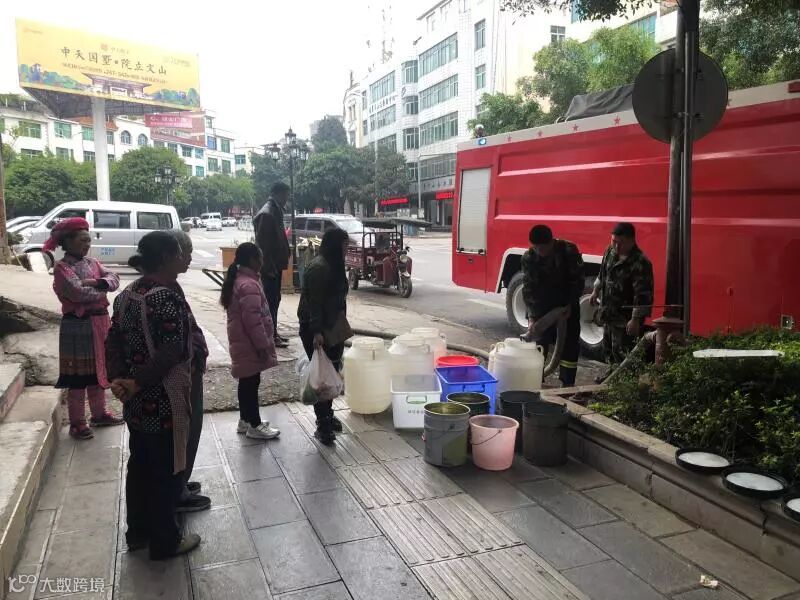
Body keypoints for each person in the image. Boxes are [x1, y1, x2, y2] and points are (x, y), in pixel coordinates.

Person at [105, 231, 200, 560]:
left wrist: (120, 379)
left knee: (140, 464)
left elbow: (113, 339)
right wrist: (136, 382)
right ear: (166, 258)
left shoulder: (127, 294)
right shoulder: (166, 298)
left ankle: (138, 532)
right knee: (166, 468)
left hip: (136, 401)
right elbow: (172, 350)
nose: (183, 258)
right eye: (179, 253)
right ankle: (165, 541)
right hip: (163, 398)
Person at [48, 217, 123, 440]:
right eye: (82, 240)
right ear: (67, 241)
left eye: (88, 240)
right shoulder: (62, 268)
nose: (87, 244)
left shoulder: (93, 263)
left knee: (99, 371)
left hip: (100, 324)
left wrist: (98, 283)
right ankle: (77, 423)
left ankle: (99, 414)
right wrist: (102, 288)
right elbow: (77, 293)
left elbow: (115, 279)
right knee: (78, 377)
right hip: (77, 327)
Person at [220, 242, 281, 440]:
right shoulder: (249, 285)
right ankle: (254, 424)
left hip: (242, 341)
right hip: (250, 343)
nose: (263, 261)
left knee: (247, 381)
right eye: (260, 257)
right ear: (253, 260)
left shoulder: (241, 280)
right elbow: (253, 320)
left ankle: (245, 420)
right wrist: (262, 345)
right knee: (251, 383)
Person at [297, 228, 353, 445]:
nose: (347, 249)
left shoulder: (334, 265)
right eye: (344, 245)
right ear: (335, 246)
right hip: (318, 329)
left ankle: (328, 415)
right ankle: (323, 424)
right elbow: (314, 304)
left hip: (334, 326)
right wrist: (317, 331)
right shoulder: (319, 268)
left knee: (332, 372)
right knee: (321, 378)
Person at [170, 230, 212, 513]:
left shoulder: (171, 287)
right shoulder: (162, 295)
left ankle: (180, 482)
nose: (189, 258)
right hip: (179, 376)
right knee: (181, 431)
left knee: (189, 427)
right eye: (186, 253)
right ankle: (177, 491)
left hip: (187, 370)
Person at [521, 224, 584, 387]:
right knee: (538, 343)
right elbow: (529, 288)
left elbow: (577, 281)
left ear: (551, 242)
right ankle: (535, 381)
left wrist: (569, 304)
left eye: (542, 247)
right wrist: (532, 317)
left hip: (566, 304)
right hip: (542, 306)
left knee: (569, 344)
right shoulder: (529, 257)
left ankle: (567, 384)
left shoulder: (568, 251)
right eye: (536, 247)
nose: (539, 251)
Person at [590, 222, 654, 375]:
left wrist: (635, 320)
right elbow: (602, 273)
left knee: (624, 353)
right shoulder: (610, 251)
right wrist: (595, 291)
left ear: (632, 240)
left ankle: (625, 382)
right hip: (608, 312)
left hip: (625, 319)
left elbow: (643, 295)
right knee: (608, 349)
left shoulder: (640, 262)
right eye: (614, 241)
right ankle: (610, 376)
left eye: (621, 243)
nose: (617, 246)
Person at [253, 182, 291, 349]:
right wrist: (268, 268)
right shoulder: (267, 213)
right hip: (270, 268)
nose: (287, 199)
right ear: (278, 194)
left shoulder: (275, 211)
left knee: (274, 300)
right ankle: (270, 335)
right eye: (285, 195)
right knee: (270, 302)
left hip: (275, 265)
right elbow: (263, 246)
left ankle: (274, 332)